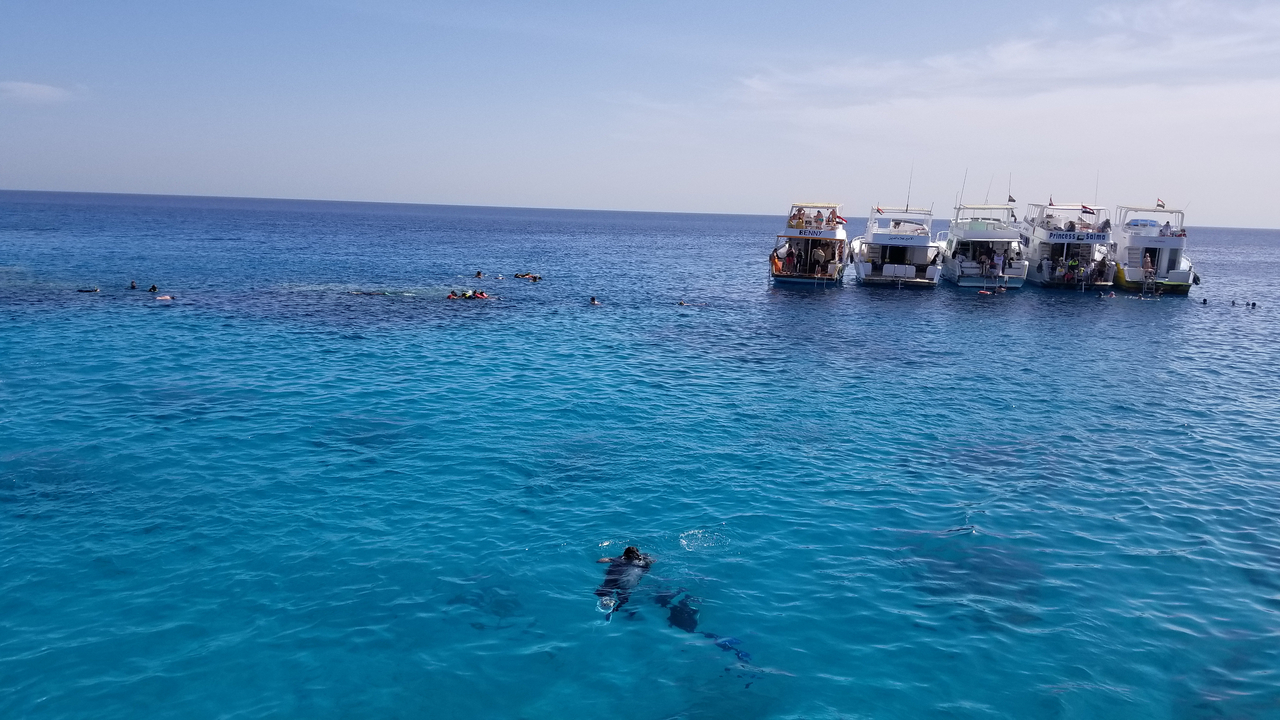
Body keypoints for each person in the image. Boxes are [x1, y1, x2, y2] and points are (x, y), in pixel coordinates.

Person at [595, 546, 654, 620]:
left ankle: (608, 606)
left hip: (614, 578)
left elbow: (601, 560)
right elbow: (653, 560)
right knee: (623, 597)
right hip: (626, 582)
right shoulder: (644, 560)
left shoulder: (619, 559)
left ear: (625, 554)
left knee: (605, 591)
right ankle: (614, 609)